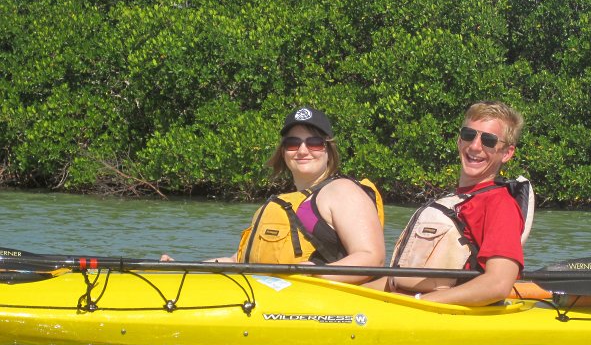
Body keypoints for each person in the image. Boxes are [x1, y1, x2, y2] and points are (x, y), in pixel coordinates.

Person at [162, 107, 385, 285]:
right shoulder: (284, 202)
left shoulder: (342, 191)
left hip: (319, 306)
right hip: (266, 298)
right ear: (283, 151)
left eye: (314, 142)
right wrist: (185, 267)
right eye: (293, 143)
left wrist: (313, 274)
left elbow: (371, 258)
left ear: (328, 149)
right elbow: (239, 261)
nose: (303, 150)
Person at [389, 101, 527, 305]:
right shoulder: (454, 201)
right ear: (459, 141)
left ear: (507, 153)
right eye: (469, 135)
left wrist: (419, 302)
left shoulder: (500, 205)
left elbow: (498, 284)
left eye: (489, 141)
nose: (475, 146)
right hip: (407, 304)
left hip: (432, 312)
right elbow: (395, 280)